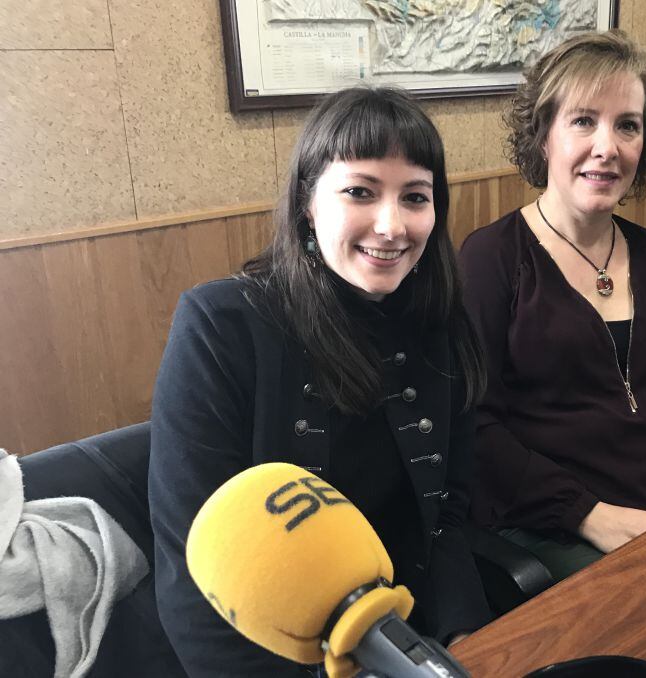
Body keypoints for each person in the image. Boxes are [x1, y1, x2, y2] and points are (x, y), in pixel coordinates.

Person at [149, 87, 491, 675]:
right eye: (360, 191)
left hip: (409, 638)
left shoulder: (439, 321)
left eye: (415, 197)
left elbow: (447, 522)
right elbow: (194, 572)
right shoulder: (220, 327)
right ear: (309, 202)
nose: (391, 226)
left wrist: (467, 646)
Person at [459, 31, 646, 582]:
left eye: (627, 125)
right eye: (583, 120)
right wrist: (587, 515)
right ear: (543, 139)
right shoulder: (491, 258)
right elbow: (474, 425)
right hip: (552, 528)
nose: (607, 146)